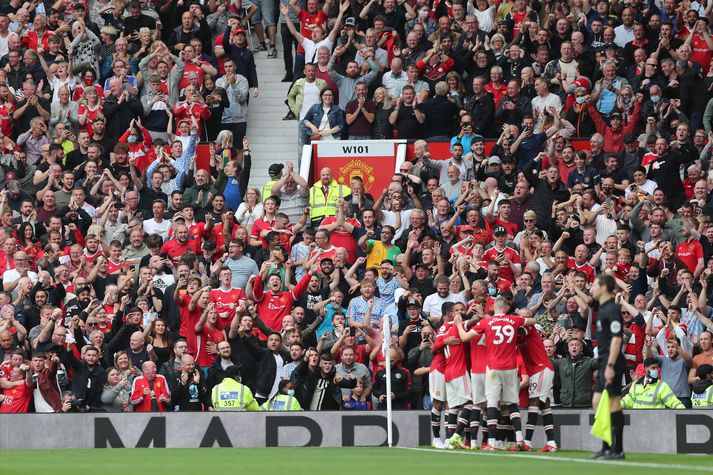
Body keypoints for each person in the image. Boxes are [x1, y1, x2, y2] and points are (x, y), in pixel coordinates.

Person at [591, 274, 625, 459]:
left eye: (595, 284)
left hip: (612, 361)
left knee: (613, 403)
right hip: (604, 361)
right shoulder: (602, 308)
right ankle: (606, 447)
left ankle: (617, 449)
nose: (592, 287)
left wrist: (610, 365)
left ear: (604, 287)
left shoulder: (612, 309)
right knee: (598, 402)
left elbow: (617, 339)